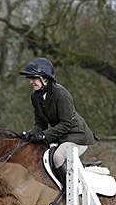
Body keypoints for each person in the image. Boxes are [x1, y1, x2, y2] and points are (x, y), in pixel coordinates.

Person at [19, 57, 98, 190]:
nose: (31, 81)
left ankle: (69, 194)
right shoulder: (35, 96)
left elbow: (67, 124)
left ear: (45, 78)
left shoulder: (60, 94)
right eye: (30, 78)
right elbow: (40, 123)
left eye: (34, 78)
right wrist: (31, 134)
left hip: (77, 136)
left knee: (58, 157)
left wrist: (44, 136)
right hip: (61, 136)